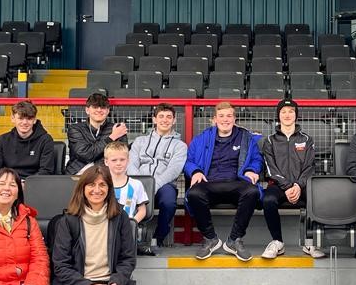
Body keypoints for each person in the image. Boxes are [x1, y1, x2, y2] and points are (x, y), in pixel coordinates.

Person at [185, 102, 263, 262]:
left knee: (252, 191)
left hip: (237, 182)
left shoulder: (246, 138)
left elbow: (257, 159)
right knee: (193, 194)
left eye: (229, 116)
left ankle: (234, 239)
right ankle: (210, 238)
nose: (225, 119)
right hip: (209, 182)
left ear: (234, 119)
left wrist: (252, 169)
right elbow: (189, 161)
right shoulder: (201, 139)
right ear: (214, 119)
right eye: (221, 116)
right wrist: (196, 171)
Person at [260, 98, 319, 259]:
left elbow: (310, 166)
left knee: (316, 198)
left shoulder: (306, 139)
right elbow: (270, 168)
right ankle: (277, 242)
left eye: (291, 111)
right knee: (268, 200)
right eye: (283, 112)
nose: (287, 115)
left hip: (301, 185)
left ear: (296, 115)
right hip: (278, 185)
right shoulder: (270, 141)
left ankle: (309, 242)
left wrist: (298, 185)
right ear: (278, 115)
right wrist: (287, 186)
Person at [129, 103, 188, 248]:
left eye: (169, 117)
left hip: (164, 185)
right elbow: (130, 164)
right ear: (154, 119)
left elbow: (174, 170)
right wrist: (142, 184)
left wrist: (154, 185)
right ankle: (131, 235)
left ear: (174, 120)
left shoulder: (180, 145)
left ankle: (158, 237)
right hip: (139, 182)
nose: (165, 120)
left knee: (169, 202)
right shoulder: (139, 141)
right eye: (161, 116)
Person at [0, 100, 57, 177]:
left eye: (29, 118)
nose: (25, 122)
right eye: (21, 118)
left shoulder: (46, 140)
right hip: (10, 181)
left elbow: (46, 171)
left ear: (34, 120)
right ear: (13, 118)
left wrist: (27, 182)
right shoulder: (2, 140)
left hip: (34, 182)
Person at [65, 92, 128, 175]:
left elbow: (119, 155)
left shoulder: (118, 129)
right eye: (95, 107)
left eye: (103, 107)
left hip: (107, 173)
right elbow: (85, 154)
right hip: (78, 173)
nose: (99, 110)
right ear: (87, 110)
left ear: (108, 111)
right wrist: (112, 137)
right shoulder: (75, 129)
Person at [104, 140, 149, 227]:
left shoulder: (136, 184)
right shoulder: (101, 184)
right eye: (114, 160)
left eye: (122, 160)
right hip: (104, 227)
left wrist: (132, 224)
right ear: (106, 162)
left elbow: (142, 211)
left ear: (128, 160)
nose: (118, 163)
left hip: (127, 228)